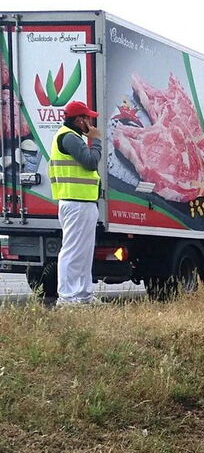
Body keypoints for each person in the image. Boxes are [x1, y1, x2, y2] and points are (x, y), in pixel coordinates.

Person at [49, 101, 103, 305]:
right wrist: (96, 141)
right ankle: (68, 296)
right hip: (76, 202)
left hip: (82, 202)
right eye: (88, 118)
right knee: (73, 250)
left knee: (84, 251)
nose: (91, 121)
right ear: (79, 120)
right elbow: (90, 162)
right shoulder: (69, 137)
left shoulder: (71, 136)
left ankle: (83, 295)